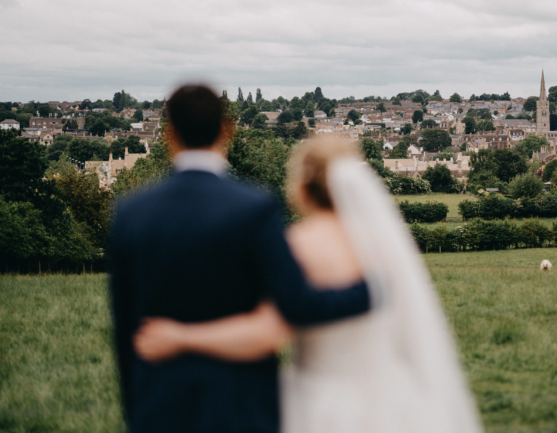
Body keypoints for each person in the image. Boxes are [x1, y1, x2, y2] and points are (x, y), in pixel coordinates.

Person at [133, 138, 485, 433]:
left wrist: (180, 337)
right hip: (394, 399)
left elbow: (267, 334)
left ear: (302, 185)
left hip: (323, 403)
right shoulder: (384, 244)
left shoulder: (300, 245)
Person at [108, 85, 371, 433]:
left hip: (159, 402)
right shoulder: (255, 208)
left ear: (169, 134)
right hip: (240, 403)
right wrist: (369, 292)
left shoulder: (129, 213)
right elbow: (296, 304)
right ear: (226, 130)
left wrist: (137, 408)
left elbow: (125, 327)